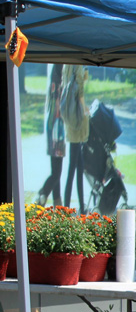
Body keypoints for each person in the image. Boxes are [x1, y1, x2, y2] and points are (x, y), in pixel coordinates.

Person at [61, 65, 89, 212]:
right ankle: (68, 206)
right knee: (74, 166)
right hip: (78, 120)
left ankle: (80, 206)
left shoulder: (66, 66)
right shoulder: (77, 63)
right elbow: (80, 91)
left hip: (70, 119)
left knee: (78, 165)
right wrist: (85, 109)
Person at [36, 64, 65, 207]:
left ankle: (57, 203)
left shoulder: (52, 81)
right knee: (57, 171)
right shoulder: (59, 87)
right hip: (57, 129)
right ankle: (43, 193)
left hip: (52, 126)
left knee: (56, 169)